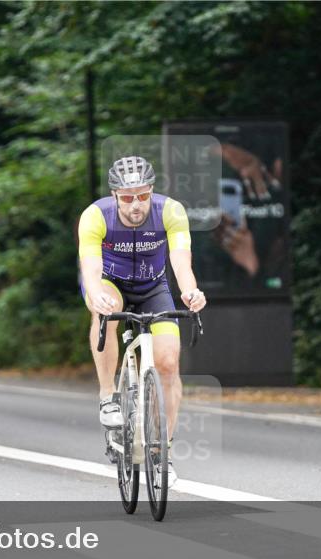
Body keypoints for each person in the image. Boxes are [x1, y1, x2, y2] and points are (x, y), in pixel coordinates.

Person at [78, 156, 207, 488]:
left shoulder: (171, 211)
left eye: (142, 196)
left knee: (167, 363)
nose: (136, 205)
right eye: (127, 197)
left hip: (154, 287)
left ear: (151, 191)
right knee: (105, 311)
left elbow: (181, 260)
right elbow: (90, 268)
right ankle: (108, 395)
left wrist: (191, 291)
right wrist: (96, 294)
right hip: (110, 284)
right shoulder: (96, 216)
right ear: (115, 194)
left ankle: (160, 453)